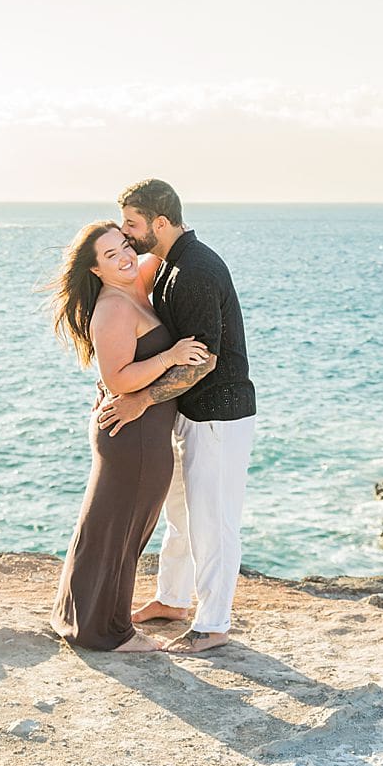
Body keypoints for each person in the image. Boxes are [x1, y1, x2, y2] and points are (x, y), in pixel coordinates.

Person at [98, 179, 257, 654]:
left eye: (132, 223)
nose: (126, 234)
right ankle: (171, 599)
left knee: (214, 521)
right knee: (181, 516)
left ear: (160, 223)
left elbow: (204, 358)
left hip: (219, 417)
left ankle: (213, 624)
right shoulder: (170, 263)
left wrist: (140, 400)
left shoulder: (196, 271)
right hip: (191, 412)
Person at [48, 220, 209, 652]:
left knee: (108, 528)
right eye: (110, 255)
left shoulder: (137, 276)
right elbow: (118, 379)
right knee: (118, 531)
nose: (123, 257)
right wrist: (172, 356)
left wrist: (154, 218)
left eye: (124, 245)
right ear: (95, 269)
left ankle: (78, 617)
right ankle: (109, 633)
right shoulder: (113, 306)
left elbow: (170, 243)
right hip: (132, 434)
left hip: (139, 433)